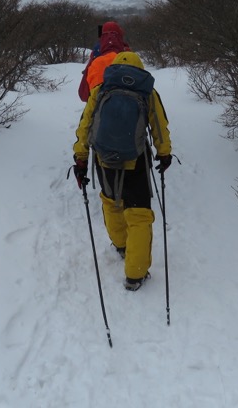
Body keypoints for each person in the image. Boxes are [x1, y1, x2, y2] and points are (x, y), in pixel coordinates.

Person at [72, 51, 173, 291]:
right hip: (135, 159)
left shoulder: (101, 90)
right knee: (138, 215)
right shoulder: (146, 92)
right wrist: (164, 153)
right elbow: (159, 124)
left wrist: (81, 158)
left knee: (111, 202)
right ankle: (135, 275)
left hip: (105, 160)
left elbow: (85, 126)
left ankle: (121, 245)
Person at [77, 21, 130, 102]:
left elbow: (83, 94)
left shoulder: (96, 57)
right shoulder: (129, 56)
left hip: (100, 109)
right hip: (128, 108)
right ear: (120, 36)